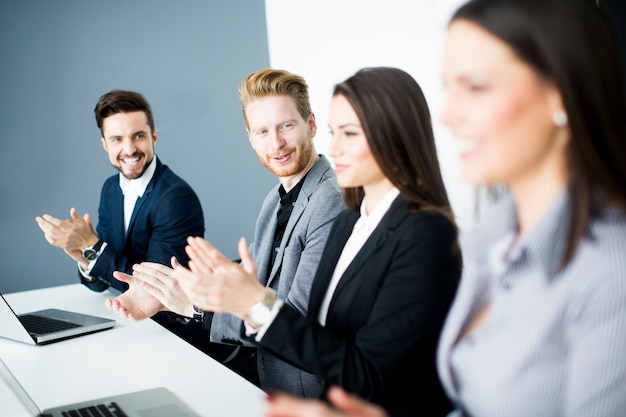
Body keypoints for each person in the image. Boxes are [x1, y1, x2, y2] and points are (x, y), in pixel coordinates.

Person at [265, 0, 626, 416]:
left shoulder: (609, 268)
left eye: (476, 86)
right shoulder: (494, 241)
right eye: (449, 89)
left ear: (559, 93)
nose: (448, 115)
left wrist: (253, 305)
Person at [167, 66, 462, 416]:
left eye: (349, 134)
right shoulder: (352, 220)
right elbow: (320, 330)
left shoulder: (424, 234)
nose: (333, 148)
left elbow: (365, 372)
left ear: (393, 136)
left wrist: (252, 303)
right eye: (334, 132)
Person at [106, 69, 345, 397]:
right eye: (262, 131)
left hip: (296, 388)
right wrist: (170, 298)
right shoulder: (273, 201)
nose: (275, 143)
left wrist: (197, 306)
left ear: (312, 125)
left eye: (286, 126)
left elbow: (289, 321)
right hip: (258, 366)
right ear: (250, 138)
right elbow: (257, 289)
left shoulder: (330, 201)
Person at [34, 89, 208, 349]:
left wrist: (93, 247)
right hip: (124, 325)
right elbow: (101, 284)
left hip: (170, 337)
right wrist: (85, 259)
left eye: (138, 136)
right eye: (117, 139)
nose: (129, 149)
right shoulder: (111, 189)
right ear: (105, 144)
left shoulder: (175, 198)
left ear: (154, 137)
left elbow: (153, 291)